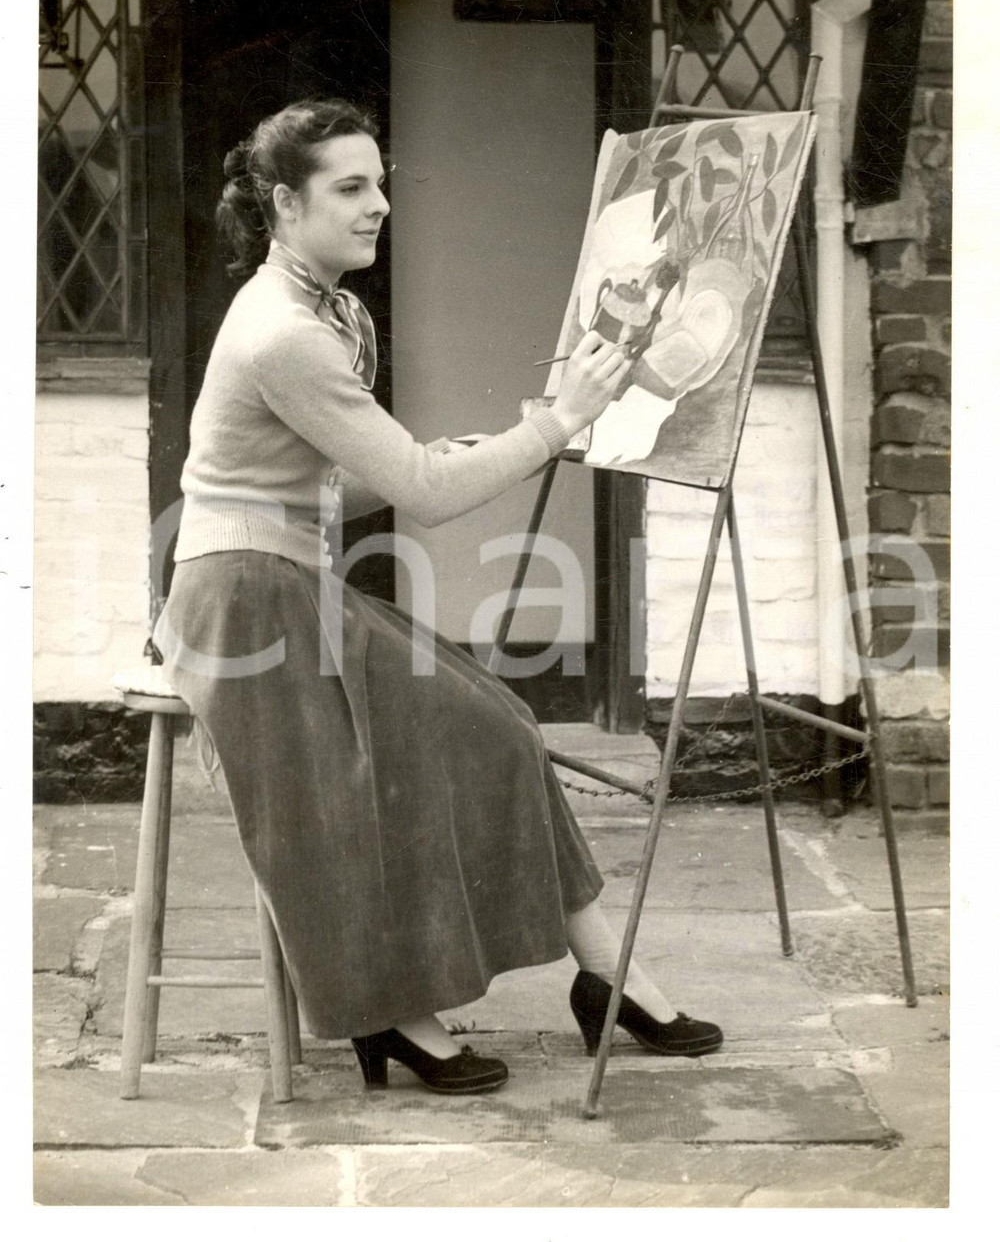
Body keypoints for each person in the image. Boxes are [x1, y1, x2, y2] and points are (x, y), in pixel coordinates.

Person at [153, 97, 722, 1096]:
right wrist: (557, 423)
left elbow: (347, 483)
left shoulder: (314, 309)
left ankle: (609, 976)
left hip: (279, 582)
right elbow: (422, 498)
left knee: (497, 721)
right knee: (385, 776)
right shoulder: (284, 332)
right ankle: (398, 1016)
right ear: (285, 203)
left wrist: (460, 451)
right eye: (350, 188)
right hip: (242, 603)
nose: (378, 205)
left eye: (381, 184)